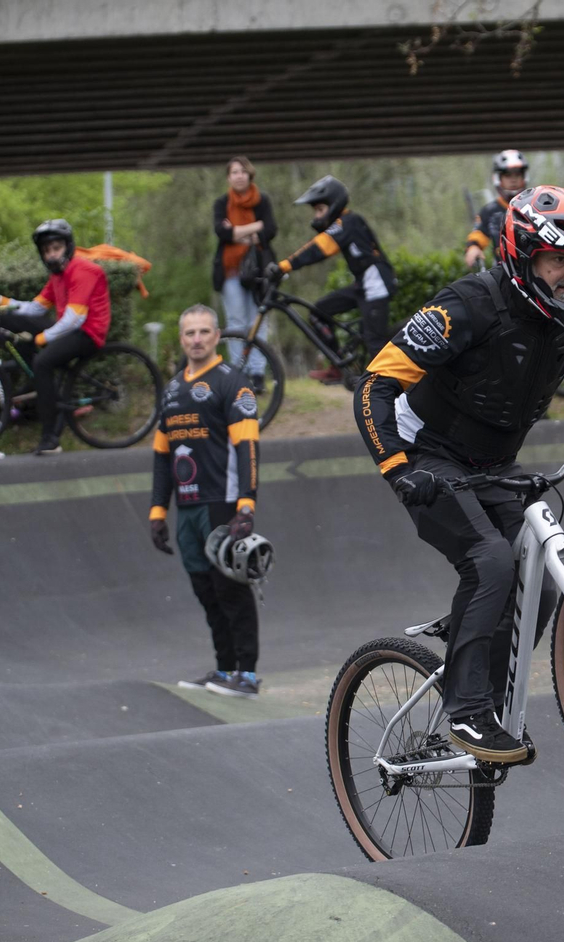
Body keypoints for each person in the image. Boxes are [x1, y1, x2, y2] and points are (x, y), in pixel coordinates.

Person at [353, 185, 564, 763]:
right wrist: (398, 469)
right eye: (560, 258)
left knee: (547, 578)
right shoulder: (469, 306)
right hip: (427, 455)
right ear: (522, 254)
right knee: (490, 561)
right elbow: (375, 386)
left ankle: (488, 691)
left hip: (493, 463)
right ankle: (466, 712)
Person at [148, 305, 263, 698]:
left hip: (223, 503)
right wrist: (157, 511)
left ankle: (246, 676)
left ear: (216, 337)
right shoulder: (173, 389)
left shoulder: (233, 383)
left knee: (230, 588)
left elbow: (248, 446)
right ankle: (224, 668)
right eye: (189, 333)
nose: (196, 339)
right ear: (181, 339)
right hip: (187, 508)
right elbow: (162, 455)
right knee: (206, 591)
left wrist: (246, 505)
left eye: (203, 332)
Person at [0, 219, 112, 454]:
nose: (51, 255)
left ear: (68, 247)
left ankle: (50, 439)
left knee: (42, 362)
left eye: (55, 248)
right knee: (13, 324)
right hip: (70, 328)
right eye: (46, 251)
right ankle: (41, 387)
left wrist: (42, 338)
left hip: (89, 333)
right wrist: (2, 302)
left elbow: (74, 319)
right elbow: (36, 308)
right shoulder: (57, 276)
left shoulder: (83, 270)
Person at [264, 175, 395, 383]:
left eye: (319, 210)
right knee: (319, 312)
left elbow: (319, 247)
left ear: (334, 205)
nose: (316, 216)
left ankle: (391, 392)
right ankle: (338, 366)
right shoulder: (342, 225)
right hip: (363, 285)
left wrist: (284, 265)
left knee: (375, 343)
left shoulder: (348, 221)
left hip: (376, 283)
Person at [211, 156, 277, 387]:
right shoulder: (221, 203)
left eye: (242, 171)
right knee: (235, 322)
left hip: (258, 271)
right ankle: (238, 371)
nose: (239, 175)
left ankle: (258, 372)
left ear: (250, 174)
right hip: (230, 272)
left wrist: (237, 231)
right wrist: (254, 228)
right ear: (228, 177)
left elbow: (270, 229)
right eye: (234, 172)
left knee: (258, 321)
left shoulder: (262, 201)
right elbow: (222, 233)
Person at [463, 149, 528, 270]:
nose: (513, 179)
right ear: (499, 178)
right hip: (502, 272)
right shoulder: (490, 211)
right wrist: (473, 248)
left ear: (524, 177)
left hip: (533, 270)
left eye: (517, 174)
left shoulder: (533, 206)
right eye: (508, 175)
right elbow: (478, 234)